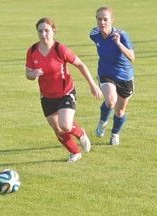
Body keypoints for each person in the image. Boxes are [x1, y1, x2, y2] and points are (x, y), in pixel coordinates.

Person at [25, 17, 102, 163]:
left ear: (53, 31)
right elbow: (28, 74)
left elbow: (80, 64)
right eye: (40, 31)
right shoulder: (32, 50)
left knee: (65, 125)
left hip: (65, 93)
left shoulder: (60, 49)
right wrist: (33, 75)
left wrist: (93, 85)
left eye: (46, 31)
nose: (43, 34)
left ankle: (80, 134)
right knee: (58, 130)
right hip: (46, 96)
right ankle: (75, 152)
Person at [90, 6, 135, 145]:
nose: (102, 22)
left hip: (125, 76)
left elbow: (132, 57)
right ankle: (102, 122)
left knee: (120, 111)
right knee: (110, 101)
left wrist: (118, 43)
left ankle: (115, 133)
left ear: (112, 20)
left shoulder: (121, 35)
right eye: (99, 19)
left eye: (105, 19)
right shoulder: (93, 34)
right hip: (105, 73)